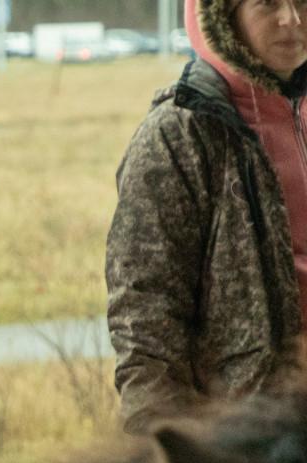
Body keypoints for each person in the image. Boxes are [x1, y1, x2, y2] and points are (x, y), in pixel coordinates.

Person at [105, 0, 307, 433]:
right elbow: (146, 322)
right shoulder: (176, 138)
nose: (291, 18)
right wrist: (164, 454)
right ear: (222, 19)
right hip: (252, 443)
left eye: (302, 2)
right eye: (268, 3)